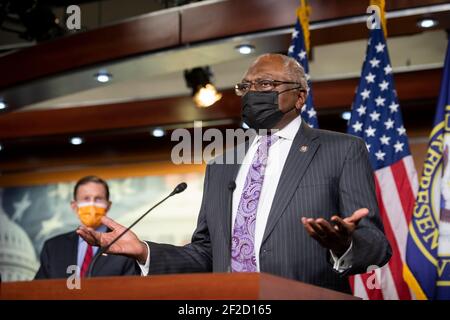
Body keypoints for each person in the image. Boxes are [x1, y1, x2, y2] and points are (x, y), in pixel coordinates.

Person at [77, 54, 391, 293]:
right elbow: (207, 254)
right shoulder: (222, 165)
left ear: (300, 96)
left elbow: (377, 245)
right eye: (247, 87)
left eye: (266, 85)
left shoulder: (342, 150)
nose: (254, 93)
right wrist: (144, 250)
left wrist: (343, 245)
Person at [35, 175, 138, 279]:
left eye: (98, 199)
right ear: (74, 206)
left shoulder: (124, 246)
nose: (92, 204)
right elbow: (37, 290)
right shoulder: (53, 247)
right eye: (86, 198)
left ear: (108, 205)